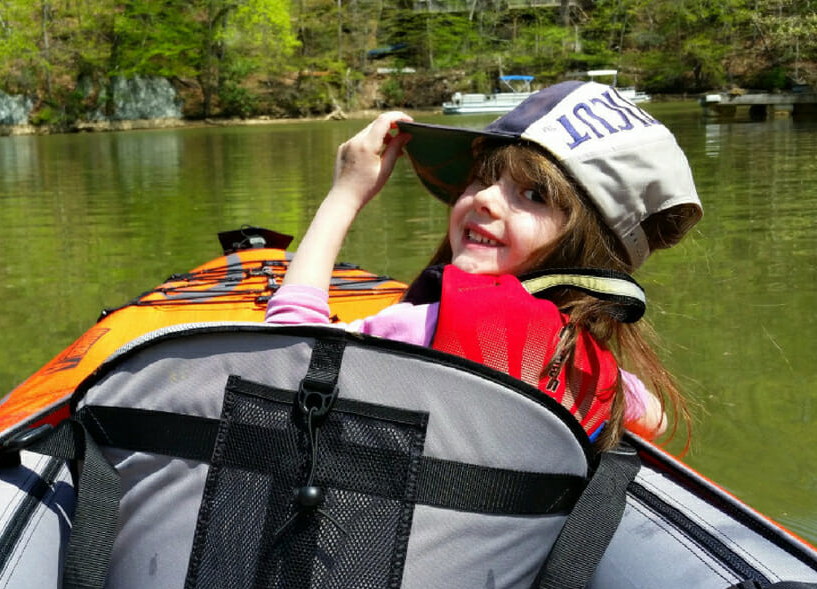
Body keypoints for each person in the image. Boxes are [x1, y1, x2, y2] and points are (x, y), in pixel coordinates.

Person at [266, 81, 701, 450]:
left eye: (534, 195)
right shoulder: (592, 369)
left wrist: (345, 194)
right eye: (483, 177)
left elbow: (281, 357)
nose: (486, 198)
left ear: (583, 247)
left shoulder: (423, 328)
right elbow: (657, 420)